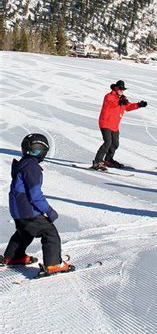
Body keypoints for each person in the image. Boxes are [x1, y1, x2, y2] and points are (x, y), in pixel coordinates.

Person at [1, 133, 74, 275]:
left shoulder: (23, 163)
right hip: (27, 210)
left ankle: (13, 257)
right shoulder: (32, 168)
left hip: (17, 210)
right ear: (41, 151)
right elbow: (35, 195)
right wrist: (49, 211)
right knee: (49, 233)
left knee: (25, 232)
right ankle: (53, 264)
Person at [92, 79, 147, 170]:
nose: (122, 90)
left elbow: (128, 107)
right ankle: (97, 162)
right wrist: (119, 102)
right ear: (116, 88)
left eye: (123, 89)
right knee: (108, 142)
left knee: (115, 144)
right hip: (105, 123)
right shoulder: (109, 96)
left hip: (114, 125)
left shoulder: (123, 98)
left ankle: (108, 160)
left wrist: (138, 105)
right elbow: (111, 104)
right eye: (120, 89)